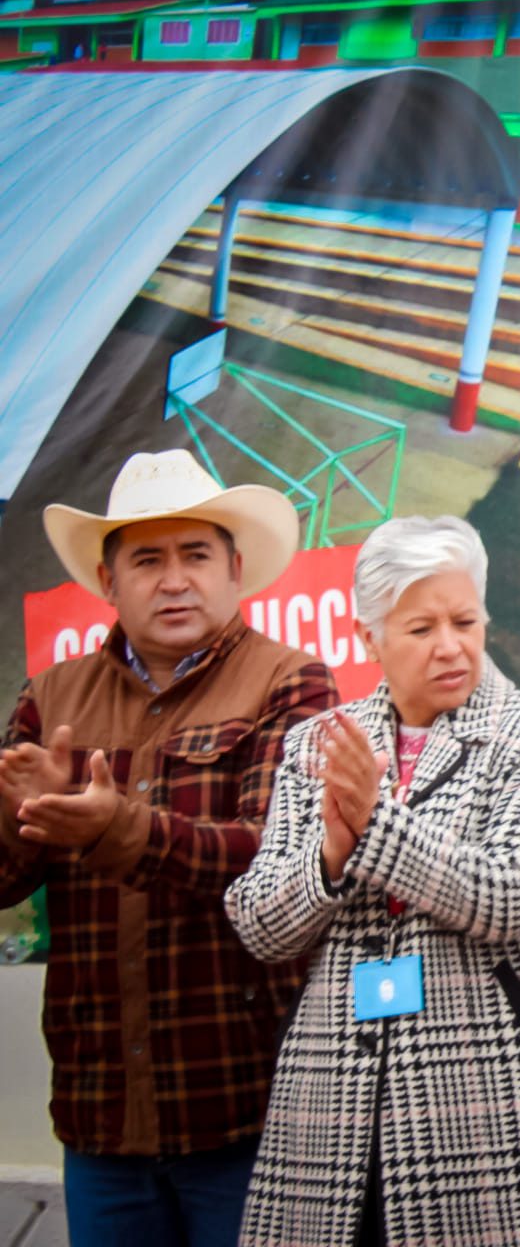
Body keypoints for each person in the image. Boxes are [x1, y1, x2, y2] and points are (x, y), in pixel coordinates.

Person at [224, 516, 520, 1247]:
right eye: (421, 627)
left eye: (465, 620)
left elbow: (510, 892)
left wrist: (370, 824)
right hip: (333, 1100)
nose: (451, 645)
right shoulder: (318, 743)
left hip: (492, 1099)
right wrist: (330, 855)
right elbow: (260, 925)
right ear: (370, 638)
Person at [0, 449, 336, 1246]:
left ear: (236, 570)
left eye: (195, 555)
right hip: (100, 1108)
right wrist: (20, 813)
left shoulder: (292, 682)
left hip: (246, 1106)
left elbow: (273, 862)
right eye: (147, 559)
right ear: (108, 583)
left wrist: (112, 829)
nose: (174, 579)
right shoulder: (51, 695)